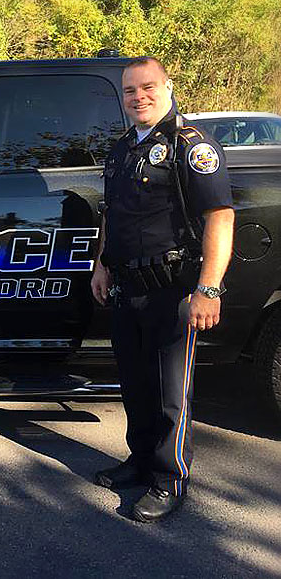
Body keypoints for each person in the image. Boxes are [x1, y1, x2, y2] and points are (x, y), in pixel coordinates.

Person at [90, 57, 234, 522]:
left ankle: (170, 479)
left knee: (173, 392)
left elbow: (220, 217)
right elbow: (112, 214)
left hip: (173, 287)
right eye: (130, 91)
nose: (139, 97)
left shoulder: (190, 145)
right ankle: (140, 459)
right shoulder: (122, 150)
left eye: (148, 87)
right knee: (136, 385)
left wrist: (208, 289)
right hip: (126, 284)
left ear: (168, 87)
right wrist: (101, 264)